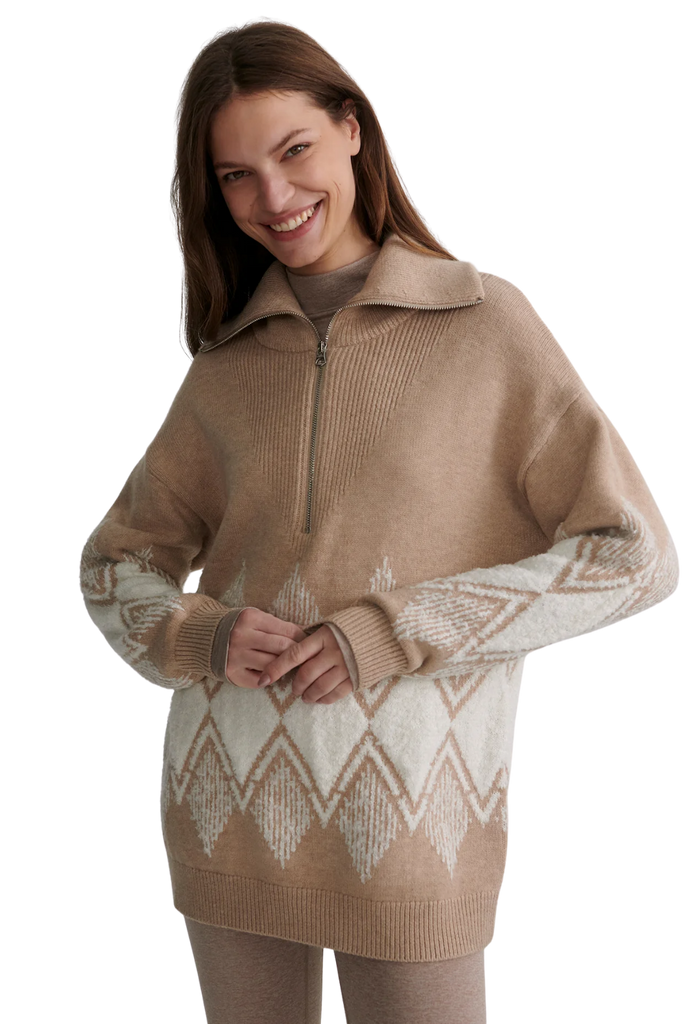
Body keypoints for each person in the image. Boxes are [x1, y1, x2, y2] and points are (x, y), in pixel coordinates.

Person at [75, 14, 681, 1024]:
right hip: (226, 805)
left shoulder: (486, 322)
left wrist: (398, 627)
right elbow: (111, 565)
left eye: (293, 150)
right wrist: (199, 633)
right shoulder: (226, 361)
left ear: (352, 128)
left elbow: (636, 557)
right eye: (235, 176)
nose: (273, 198)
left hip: (414, 818)